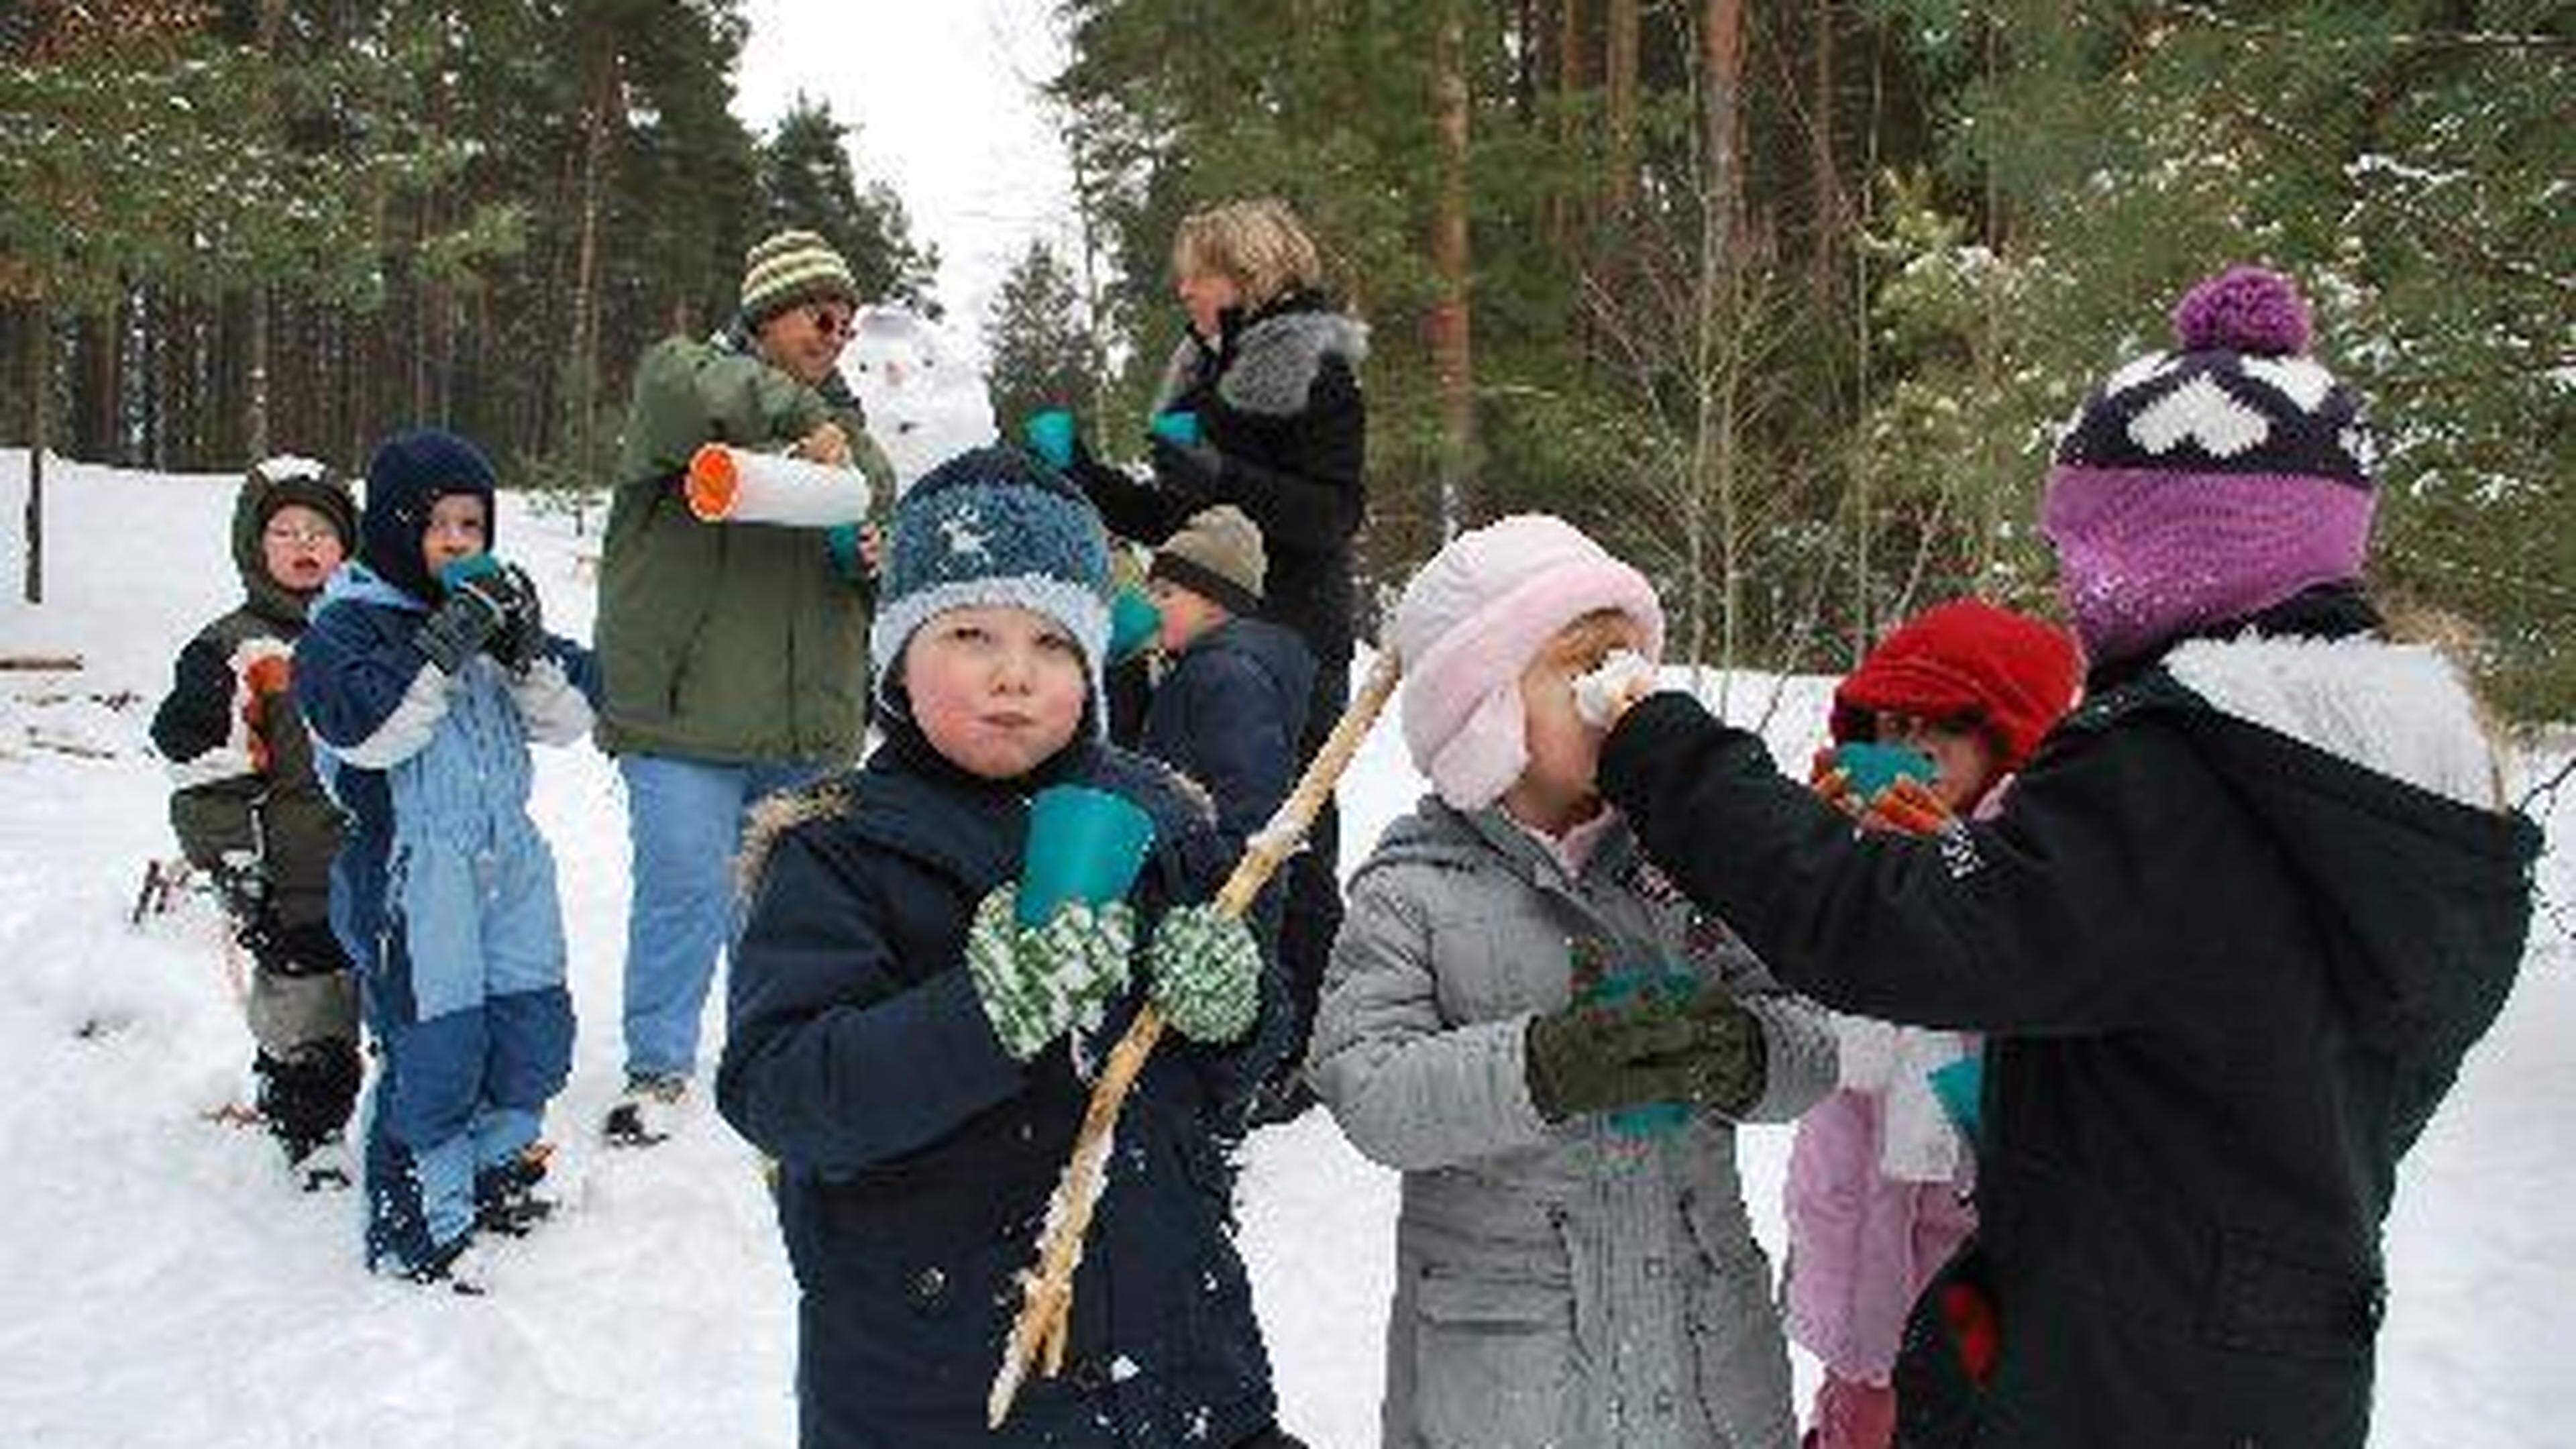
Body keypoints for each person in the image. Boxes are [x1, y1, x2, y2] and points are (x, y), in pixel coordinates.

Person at [1588, 267, 2540, 1446]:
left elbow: (1894, 934)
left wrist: (1663, 748)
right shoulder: (2393, 792)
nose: (2066, 584)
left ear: (2167, 556)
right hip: (2268, 1363)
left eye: (2076, 547)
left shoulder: (2187, 774)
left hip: (2123, 1377)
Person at [716, 447, 1303, 1449]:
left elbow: (1238, 1075)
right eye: (969, 633)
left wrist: (1236, 1010)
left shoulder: (1160, 821)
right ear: (898, 654)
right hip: (942, 1387)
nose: (1013, 675)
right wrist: (987, 1013)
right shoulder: (838, 848)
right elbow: (785, 1092)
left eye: (1053, 642)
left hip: (1182, 1367)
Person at [1309, 514, 1836, 1449]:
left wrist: (1745, 1051)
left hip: (1703, 1369)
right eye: (1582, 663)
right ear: (1487, 710)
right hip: (1519, 1383)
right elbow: (1369, 1090)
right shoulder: (1414, 888)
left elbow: (1812, 1044)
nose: (1624, 689)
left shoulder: (1695, 858)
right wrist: (1542, 1067)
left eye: (1634, 657)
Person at [1062, 197, 1366, 1122]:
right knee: (1203, 826)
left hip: (1290, 636)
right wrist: (1088, 475)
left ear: (1248, 276)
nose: (1183, 288)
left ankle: (1305, 1040)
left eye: (1199, 271)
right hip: (1200, 631)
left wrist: (1225, 480)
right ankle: (1216, 1017)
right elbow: (1175, 522)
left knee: (1289, 836)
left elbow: (1332, 516)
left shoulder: (1316, 370)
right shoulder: (1202, 374)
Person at [592, 227, 897, 1145]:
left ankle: (772, 1053)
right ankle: (659, 1067)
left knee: (787, 902)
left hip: (798, 727)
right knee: (686, 886)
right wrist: (797, 420)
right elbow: (680, 383)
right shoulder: (682, 391)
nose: (837, 332)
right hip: (683, 716)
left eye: (847, 324)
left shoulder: (848, 439)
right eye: (820, 313)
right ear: (767, 312)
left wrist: (872, 552)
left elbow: (876, 498)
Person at [295, 428, 596, 1289]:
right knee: (436, 1042)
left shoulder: (494, 611)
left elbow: (573, 718)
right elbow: (370, 733)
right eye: (440, 525)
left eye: (474, 524)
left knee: (528, 1027)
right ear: (395, 528)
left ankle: (496, 1173)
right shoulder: (345, 626)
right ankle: (417, 1220)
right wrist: (442, 643)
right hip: (411, 870)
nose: (460, 542)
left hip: (509, 859)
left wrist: (523, 648)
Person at [1780, 599, 2080, 1449]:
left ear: (2011, 745)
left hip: (1968, 1263)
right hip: (1851, 1228)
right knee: (1851, 1409)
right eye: (1894, 725)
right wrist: (1807, 861)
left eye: (1942, 732)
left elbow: (2030, 1054)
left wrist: (1961, 884)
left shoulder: (2036, 885)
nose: (1909, 753)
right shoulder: (1847, 856)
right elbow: (1784, 999)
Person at [150, 455, 365, 1189]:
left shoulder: (372, 634)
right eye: (284, 531)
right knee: (306, 1012)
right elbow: (205, 773)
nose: (304, 544)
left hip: (380, 866)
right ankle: (310, 1130)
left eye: (320, 531)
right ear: (254, 544)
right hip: (294, 874)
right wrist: (238, 864)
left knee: (397, 1003)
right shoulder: (237, 649)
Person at [1139, 504, 1317, 952]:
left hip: (1220, 914)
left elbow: (1251, 811)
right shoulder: (1201, 668)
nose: (1150, 606)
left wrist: (1190, 868)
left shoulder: (1227, 677)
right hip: (1200, 900)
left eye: (1165, 594)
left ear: (1215, 604)